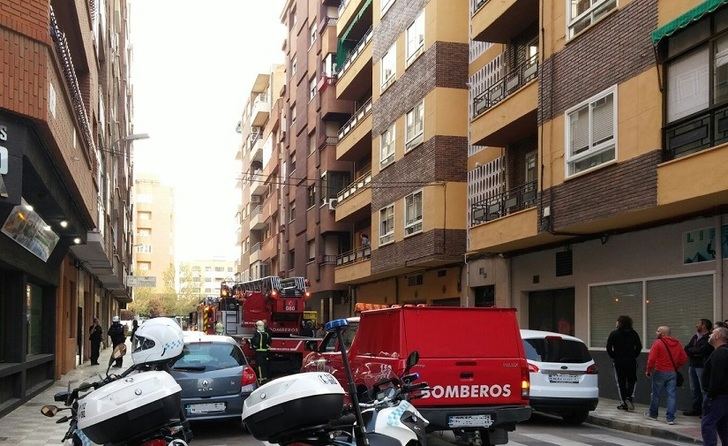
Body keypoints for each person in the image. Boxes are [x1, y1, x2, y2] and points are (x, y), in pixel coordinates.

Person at [645, 326, 688, 425]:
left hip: (659, 371)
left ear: (663, 334)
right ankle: (670, 418)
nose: (656, 333)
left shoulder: (658, 343)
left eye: (658, 331)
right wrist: (676, 366)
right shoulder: (677, 343)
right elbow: (684, 358)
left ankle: (653, 415)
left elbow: (651, 359)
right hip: (672, 372)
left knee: (656, 394)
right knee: (672, 395)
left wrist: (648, 370)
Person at [606, 315, 642, 411]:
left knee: (620, 382)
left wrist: (614, 356)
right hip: (631, 361)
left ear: (620, 323)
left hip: (619, 362)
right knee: (632, 380)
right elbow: (639, 346)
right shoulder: (634, 333)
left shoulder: (614, 334)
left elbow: (608, 348)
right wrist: (634, 355)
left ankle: (624, 401)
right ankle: (629, 398)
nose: (616, 323)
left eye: (617, 321)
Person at [701, 326, 728, 446]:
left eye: (712, 333)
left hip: (718, 396)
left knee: (708, 424)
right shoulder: (723, 352)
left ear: (717, 336)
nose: (709, 335)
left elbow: (717, 376)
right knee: (723, 425)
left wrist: (711, 395)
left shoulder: (720, 353)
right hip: (723, 395)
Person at [684, 319, 714, 416]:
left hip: (702, 366)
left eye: (699, 324)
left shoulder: (709, 337)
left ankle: (706, 411)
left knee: (703, 389)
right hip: (692, 365)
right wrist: (694, 351)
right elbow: (686, 348)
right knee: (694, 389)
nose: (696, 325)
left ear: (704, 326)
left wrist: (693, 351)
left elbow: (703, 351)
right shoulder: (695, 337)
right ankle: (696, 409)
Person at [251, 320, 272, 384]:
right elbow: (269, 343)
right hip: (265, 353)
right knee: (264, 365)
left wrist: (251, 343)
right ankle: (265, 378)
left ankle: (260, 380)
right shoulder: (266, 334)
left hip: (259, 353)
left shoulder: (257, 334)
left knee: (259, 366)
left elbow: (255, 343)